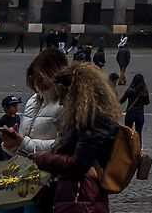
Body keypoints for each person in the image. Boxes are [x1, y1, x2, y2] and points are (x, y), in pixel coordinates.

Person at [24, 64, 121, 213]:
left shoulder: (93, 121)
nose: (61, 103)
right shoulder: (85, 120)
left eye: (63, 96)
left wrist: (44, 159)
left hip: (81, 198)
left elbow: (79, 164)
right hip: (76, 195)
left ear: (76, 94)